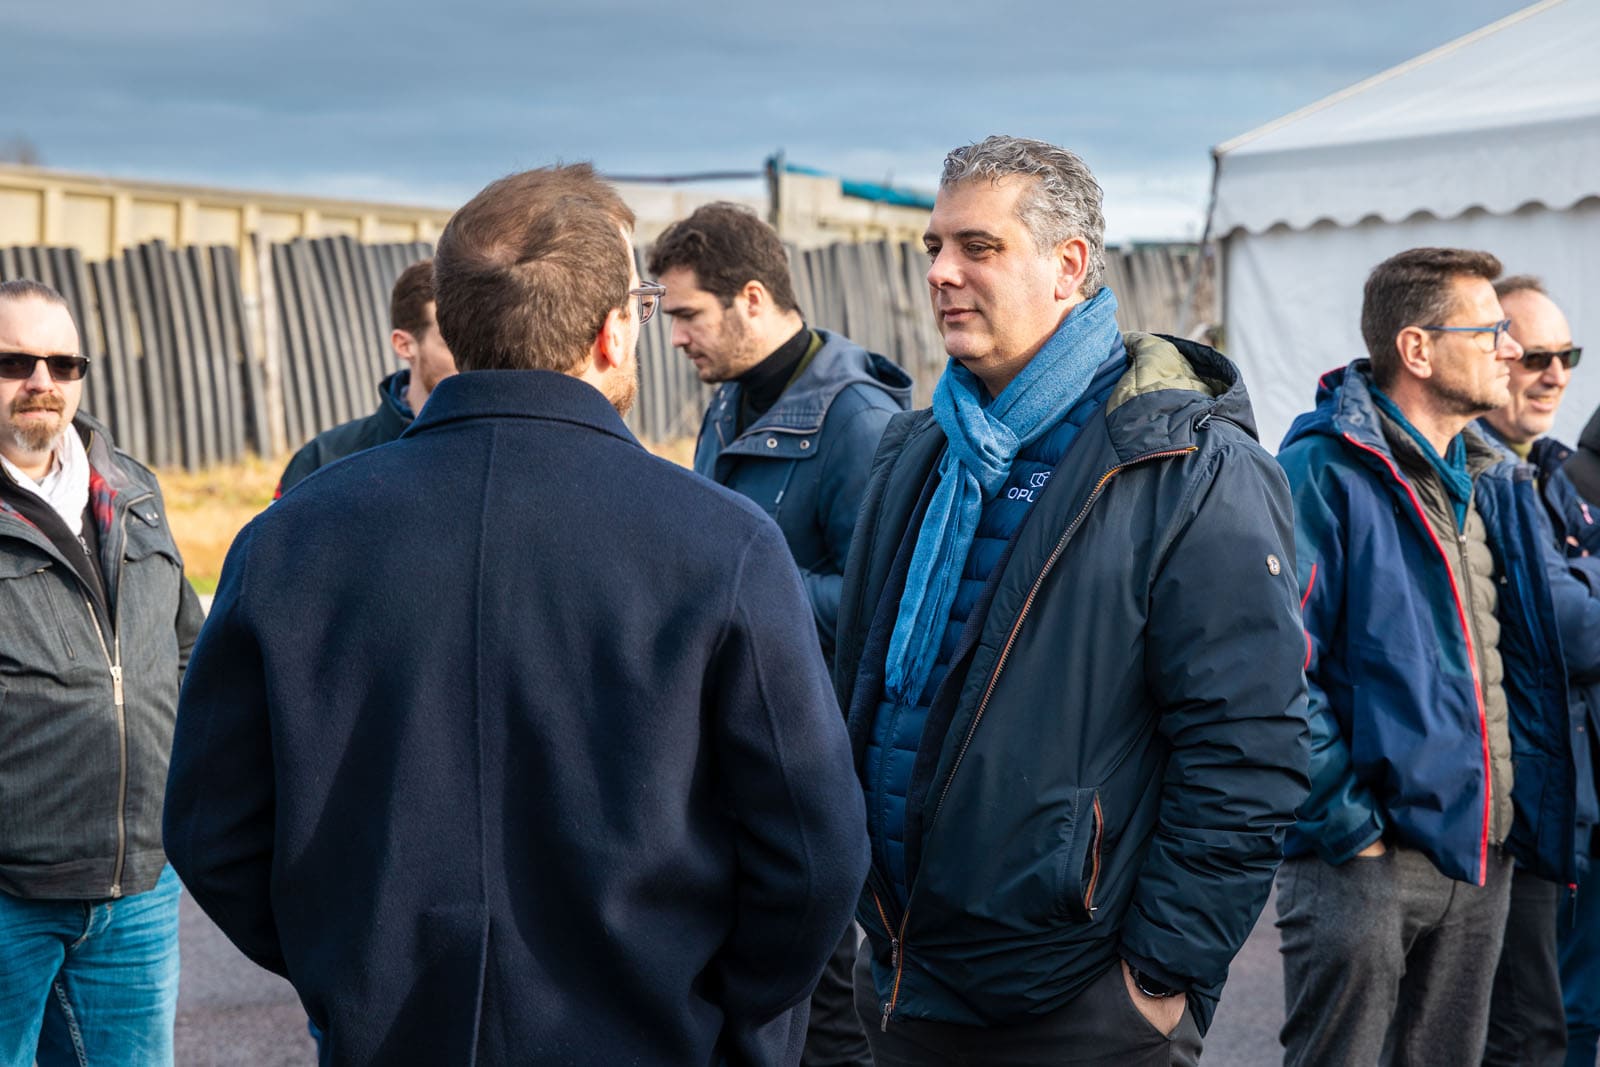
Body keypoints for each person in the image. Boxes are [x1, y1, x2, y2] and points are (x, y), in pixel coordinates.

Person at [163, 163, 869, 1066]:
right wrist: (718, 1011)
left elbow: (210, 825)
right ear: (618, 332)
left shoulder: (288, 540)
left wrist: (349, 964)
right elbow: (814, 854)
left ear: (451, 324)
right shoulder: (723, 545)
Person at [831, 134, 1311, 1067]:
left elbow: (1248, 747)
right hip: (904, 976)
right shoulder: (915, 451)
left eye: (978, 247)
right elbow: (865, 686)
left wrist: (1157, 980)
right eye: (933, 247)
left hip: (1080, 1006)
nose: (941, 272)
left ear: (1070, 265)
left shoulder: (1185, 468)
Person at [1276, 248, 1600, 1067]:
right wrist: (1352, 830)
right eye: (1491, 330)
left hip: (1482, 856)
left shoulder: (1489, 480)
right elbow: (1277, 670)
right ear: (1418, 351)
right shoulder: (1323, 469)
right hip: (1366, 863)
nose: (1511, 349)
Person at [650, 202, 910, 1067]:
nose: (675, 336)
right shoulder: (727, 407)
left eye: (687, 314)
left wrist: (742, 594)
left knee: (825, 1016)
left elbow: (889, 600)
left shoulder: (857, 420)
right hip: (735, 751)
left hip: (814, 760)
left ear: (752, 298)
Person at [0, 279, 204, 1067]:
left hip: (138, 891)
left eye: (62, 361)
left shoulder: (133, 491)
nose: (41, 381)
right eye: (15, 361)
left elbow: (185, 646)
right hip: (11, 896)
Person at [1477, 276, 1600, 1067]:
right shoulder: (1483, 474)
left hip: (1580, 800)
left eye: (1569, 355)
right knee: (1530, 1034)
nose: (1555, 374)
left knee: (1575, 1021)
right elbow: (1576, 632)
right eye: (1535, 357)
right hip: (1526, 818)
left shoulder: (1556, 468)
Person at [274, 258, 456, 497]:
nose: (469, 354)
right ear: (404, 345)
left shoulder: (507, 452)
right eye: (452, 341)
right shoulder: (324, 459)